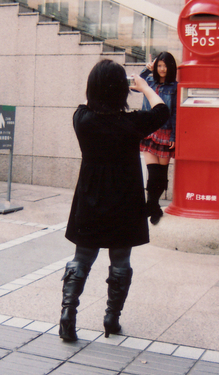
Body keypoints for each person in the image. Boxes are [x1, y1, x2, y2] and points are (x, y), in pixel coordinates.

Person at [60, 59, 169, 342]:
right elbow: (162, 110)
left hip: (90, 198)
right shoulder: (132, 123)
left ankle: (68, 315)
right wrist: (144, 86)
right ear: (122, 90)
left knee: (82, 257)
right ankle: (111, 318)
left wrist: (99, 87)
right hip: (125, 200)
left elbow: (87, 101)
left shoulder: (82, 119)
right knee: (120, 258)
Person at [139, 52, 178, 225]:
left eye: (165, 66)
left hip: (165, 132)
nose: (162, 69)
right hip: (149, 130)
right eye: (159, 66)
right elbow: (135, 84)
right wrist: (146, 70)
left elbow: (176, 113)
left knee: (161, 176)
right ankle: (153, 206)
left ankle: (152, 205)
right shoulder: (149, 82)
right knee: (152, 172)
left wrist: (174, 135)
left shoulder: (175, 87)